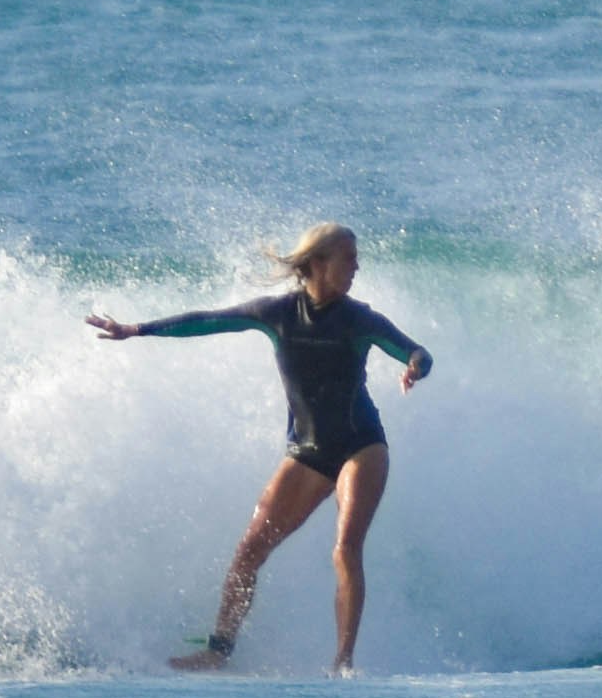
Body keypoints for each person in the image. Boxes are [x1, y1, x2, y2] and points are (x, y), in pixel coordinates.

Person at [86, 223, 435, 670]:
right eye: (349, 257)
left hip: (361, 446)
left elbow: (417, 351)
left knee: (345, 546)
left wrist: (413, 368)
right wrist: (136, 329)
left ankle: (343, 661)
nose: (357, 265)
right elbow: (208, 320)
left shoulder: (359, 319)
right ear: (318, 263)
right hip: (307, 450)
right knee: (250, 550)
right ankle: (218, 651)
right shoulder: (278, 313)